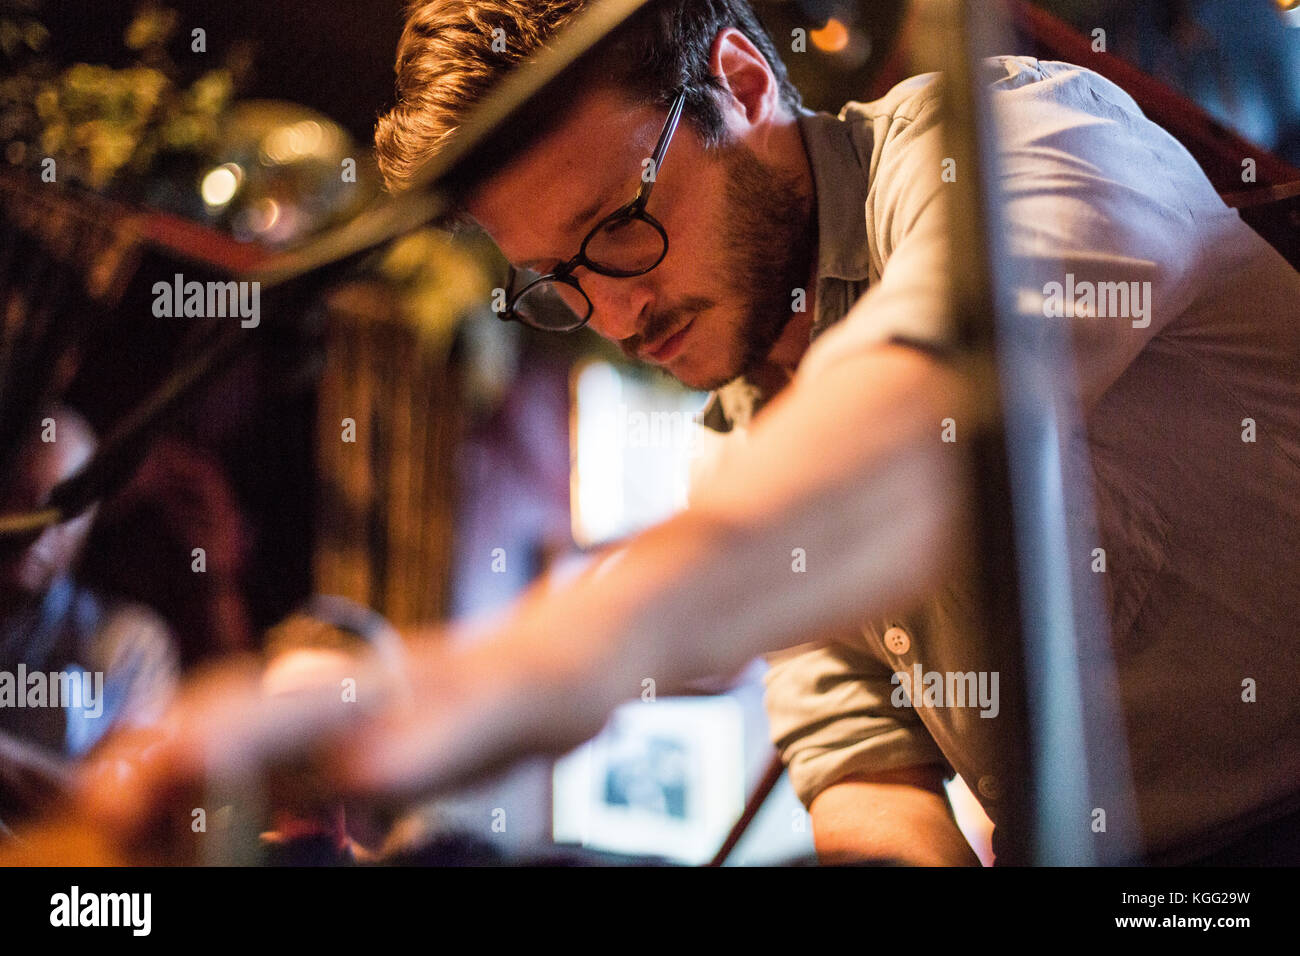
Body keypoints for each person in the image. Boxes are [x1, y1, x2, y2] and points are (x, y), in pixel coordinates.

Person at [86, 0, 1300, 866]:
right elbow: (864, 772)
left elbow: (927, 417)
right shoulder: (735, 443)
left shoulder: (1017, 146)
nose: (611, 310)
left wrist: (489, 681)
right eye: (556, 277)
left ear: (744, 79)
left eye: (619, 224)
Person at [0, 406, 178, 832]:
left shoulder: (131, 644)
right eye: (20, 496)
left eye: (64, 507)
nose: (39, 528)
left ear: (91, 521)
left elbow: (133, 804)